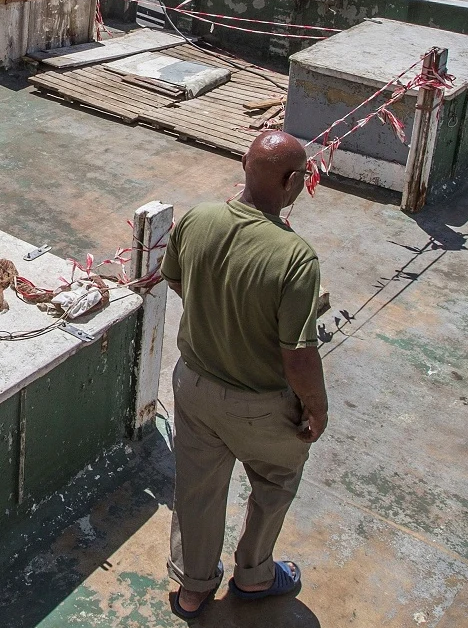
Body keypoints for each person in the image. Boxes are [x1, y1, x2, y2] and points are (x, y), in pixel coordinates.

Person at [161, 130, 328, 620]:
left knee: (196, 487)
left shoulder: (198, 219)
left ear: (243, 165)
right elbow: (297, 354)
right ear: (292, 182)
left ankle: (193, 589)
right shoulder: (296, 258)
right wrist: (316, 408)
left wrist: (214, 314)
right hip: (260, 405)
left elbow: (175, 277)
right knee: (277, 479)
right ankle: (254, 575)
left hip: (193, 386)